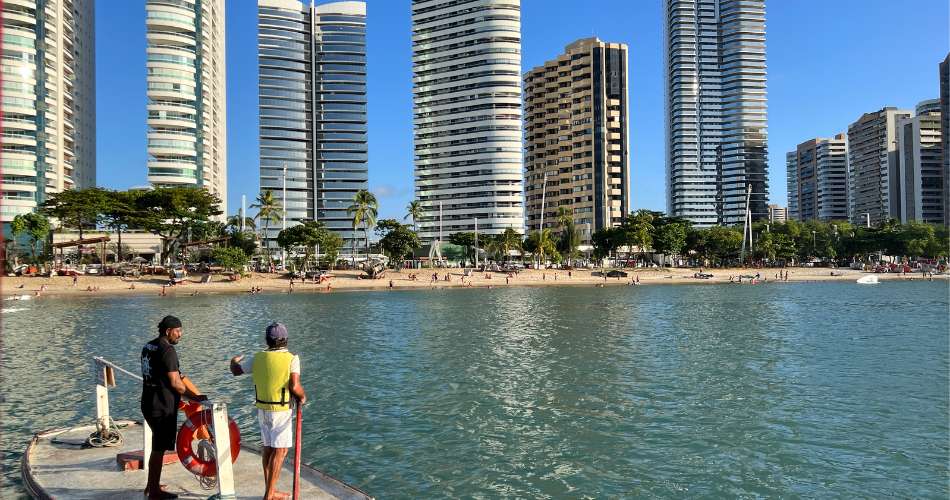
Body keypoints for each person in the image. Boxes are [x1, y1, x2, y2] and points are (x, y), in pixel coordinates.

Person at [230, 323, 306, 500]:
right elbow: (295, 385)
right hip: (281, 410)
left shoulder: (258, 358)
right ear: (286, 339)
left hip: (262, 409)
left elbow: (235, 371)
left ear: (267, 340)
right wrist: (303, 397)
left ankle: (270, 491)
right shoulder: (292, 359)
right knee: (281, 451)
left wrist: (233, 361)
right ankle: (269, 494)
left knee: (268, 449)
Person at [141, 315, 206, 499]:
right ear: (168, 331)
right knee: (158, 448)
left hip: (148, 402)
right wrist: (195, 398)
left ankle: (151, 485)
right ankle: (153, 491)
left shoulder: (148, 346)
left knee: (157, 445)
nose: (180, 334)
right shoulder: (167, 350)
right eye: (177, 331)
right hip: (162, 406)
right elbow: (176, 383)